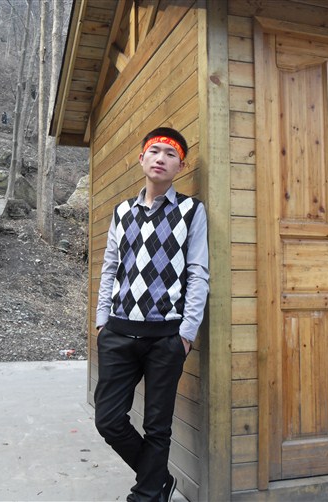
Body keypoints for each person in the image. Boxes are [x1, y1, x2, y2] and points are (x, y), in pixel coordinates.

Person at [94, 127, 209, 502]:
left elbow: (198, 273)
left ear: (181, 166)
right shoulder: (121, 212)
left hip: (166, 339)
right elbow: (109, 268)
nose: (161, 158)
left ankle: (147, 495)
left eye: (170, 154)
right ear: (141, 159)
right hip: (118, 333)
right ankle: (159, 480)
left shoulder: (191, 211)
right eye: (154, 151)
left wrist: (186, 334)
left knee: (158, 428)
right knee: (109, 420)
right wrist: (101, 321)